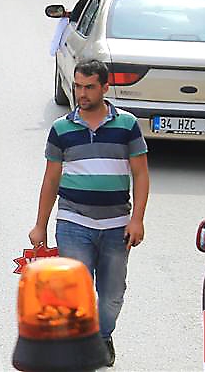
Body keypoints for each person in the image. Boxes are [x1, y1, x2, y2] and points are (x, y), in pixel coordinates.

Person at [28, 59, 150, 369]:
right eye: (78, 86)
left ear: (105, 88)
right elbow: (51, 178)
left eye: (89, 87)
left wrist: (137, 219)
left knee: (111, 295)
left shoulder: (127, 125)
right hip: (73, 222)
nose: (82, 93)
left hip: (117, 226)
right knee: (74, 290)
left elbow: (141, 174)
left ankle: (103, 336)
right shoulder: (61, 129)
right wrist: (40, 226)